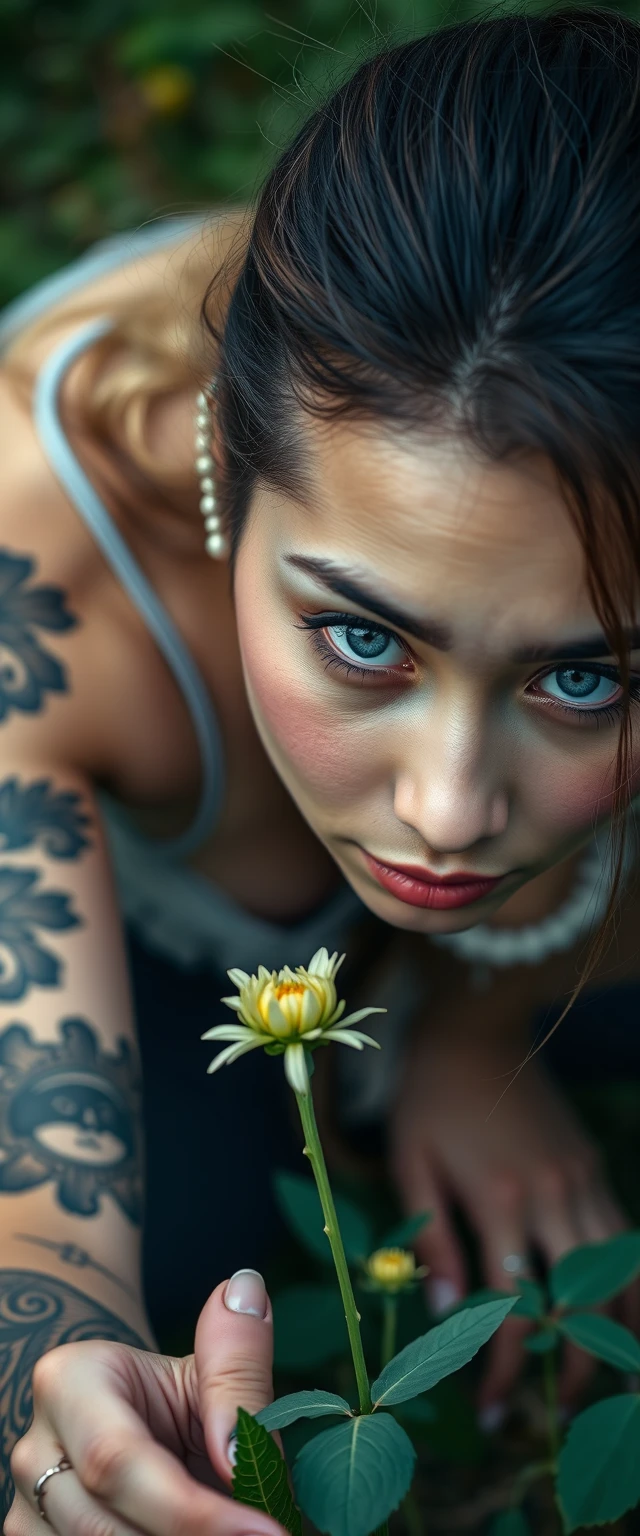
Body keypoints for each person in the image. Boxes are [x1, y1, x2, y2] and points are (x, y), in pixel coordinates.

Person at [4, 7, 640, 1531]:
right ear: (230, 459)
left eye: (582, 675)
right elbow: (43, 1167)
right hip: (155, 938)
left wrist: (482, 1030)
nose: (443, 809)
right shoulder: (44, 567)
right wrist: (65, 1363)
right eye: (363, 641)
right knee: (196, 1230)